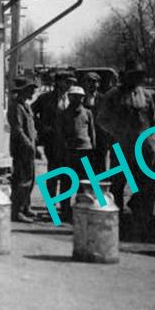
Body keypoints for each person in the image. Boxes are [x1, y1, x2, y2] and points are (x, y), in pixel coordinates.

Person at [101, 60, 155, 236]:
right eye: (132, 75)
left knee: (145, 187)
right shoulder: (113, 95)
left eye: (139, 76)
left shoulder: (147, 96)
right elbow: (102, 119)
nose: (135, 79)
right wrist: (117, 133)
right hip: (122, 149)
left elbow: (154, 120)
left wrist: (152, 139)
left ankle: (142, 227)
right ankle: (116, 226)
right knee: (117, 186)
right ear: (125, 76)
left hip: (145, 150)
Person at [32, 71, 74, 206]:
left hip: (70, 142)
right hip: (52, 141)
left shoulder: (75, 97)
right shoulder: (46, 98)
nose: (69, 85)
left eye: (71, 82)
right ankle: (51, 203)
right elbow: (30, 112)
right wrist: (42, 127)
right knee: (53, 172)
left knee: (68, 173)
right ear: (58, 82)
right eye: (67, 82)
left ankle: (65, 204)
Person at [57, 85, 96, 222]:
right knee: (67, 181)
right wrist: (62, 149)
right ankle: (65, 211)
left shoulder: (88, 113)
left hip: (85, 150)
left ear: (83, 99)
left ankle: (81, 208)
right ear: (69, 97)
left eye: (79, 98)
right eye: (73, 97)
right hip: (69, 151)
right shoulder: (63, 113)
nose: (77, 100)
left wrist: (93, 149)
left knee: (83, 182)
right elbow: (60, 133)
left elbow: (92, 132)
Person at [7, 77, 39, 223]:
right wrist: (28, 144)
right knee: (22, 180)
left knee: (30, 179)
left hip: (29, 148)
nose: (33, 91)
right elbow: (18, 129)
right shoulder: (16, 107)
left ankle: (26, 206)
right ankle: (17, 210)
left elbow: (30, 128)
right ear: (23, 91)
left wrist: (34, 143)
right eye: (30, 89)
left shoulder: (26, 106)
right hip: (21, 149)